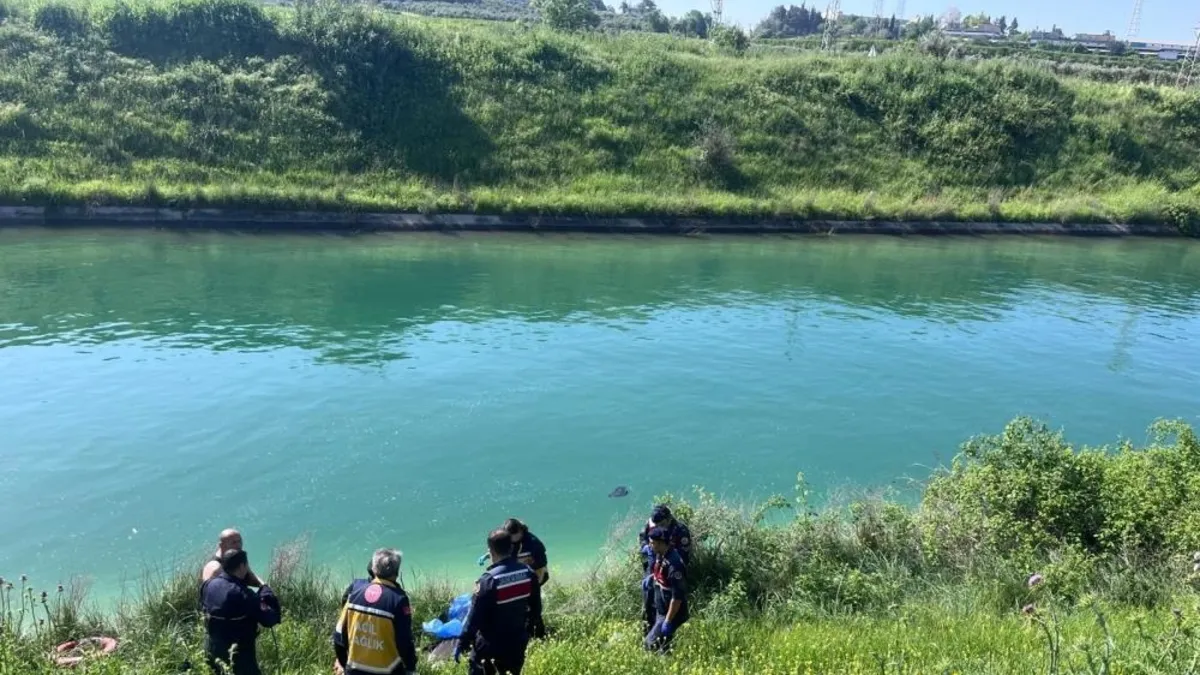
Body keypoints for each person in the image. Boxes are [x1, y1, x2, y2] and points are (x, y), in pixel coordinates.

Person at [456, 528, 544, 675]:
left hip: (490, 647)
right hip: (516, 643)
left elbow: (474, 618)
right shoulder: (528, 573)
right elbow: (536, 609)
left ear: (490, 551)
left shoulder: (489, 580)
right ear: (511, 548)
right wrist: (525, 632)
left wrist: (462, 642)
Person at [333, 548, 417, 675]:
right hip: (387, 670)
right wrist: (411, 668)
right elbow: (404, 641)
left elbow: (338, 635)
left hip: (354, 669)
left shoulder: (355, 592)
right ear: (396, 573)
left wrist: (345, 665)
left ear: (373, 569)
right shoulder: (399, 599)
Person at [200, 549, 281, 675]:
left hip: (213, 651)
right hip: (241, 658)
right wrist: (264, 587)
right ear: (243, 566)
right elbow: (270, 619)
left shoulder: (209, 585)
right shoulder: (244, 595)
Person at [637, 505, 690, 631]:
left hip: (668, 571)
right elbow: (643, 538)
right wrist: (645, 548)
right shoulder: (651, 523)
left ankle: (663, 636)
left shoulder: (680, 530)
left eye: (660, 524)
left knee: (665, 605)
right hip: (652, 568)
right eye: (655, 524)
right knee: (648, 601)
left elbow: (683, 556)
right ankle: (648, 632)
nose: (656, 526)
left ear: (668, 519)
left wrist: (665, 567)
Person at [644, 527, 688, 654]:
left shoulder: (674, 565)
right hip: (662, 608)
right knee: (664, 645)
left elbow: (678, 597)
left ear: (660, 543)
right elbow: (661, 574)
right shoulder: (661, 554)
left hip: (671, 612)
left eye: (652, 543)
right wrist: (652, 577)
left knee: (649, 643)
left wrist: (668, 621)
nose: (650, 545)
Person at [503, 518, 548, 639]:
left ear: (520, 531)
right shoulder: (508, 540)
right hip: (519, 577)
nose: (511, 539)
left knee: (532, 605)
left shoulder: (533, 542)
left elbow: (542, 561)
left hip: (536, 576)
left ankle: (539, 634)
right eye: (509, 536)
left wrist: (525, 568)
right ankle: (523, 631)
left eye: (514, 536)